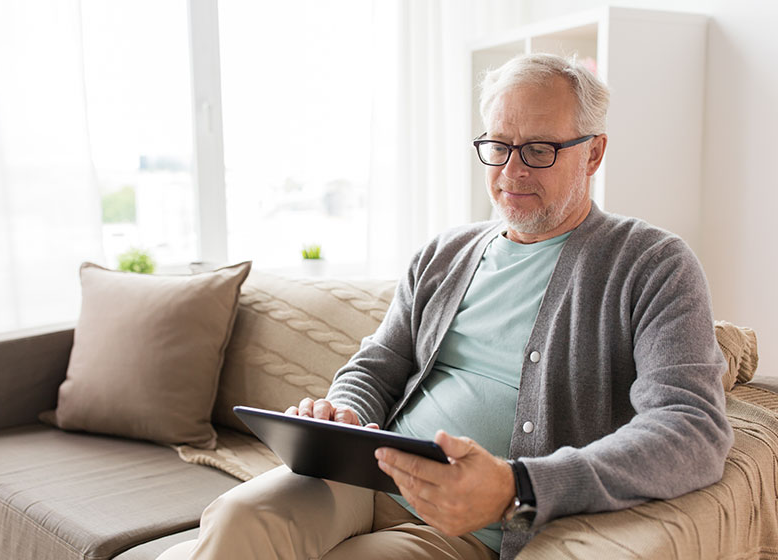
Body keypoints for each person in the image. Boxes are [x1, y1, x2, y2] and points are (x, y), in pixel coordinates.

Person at [183, 53, 733, 560]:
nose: (511, 172)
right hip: (367, 475)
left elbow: (693, 429)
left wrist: (518, 486)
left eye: (540, 150)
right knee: (238, 517)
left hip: (468, 527)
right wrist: (346, 415)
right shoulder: (443, 254)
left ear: (594, 152)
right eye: (498, 146)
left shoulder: (651, 262)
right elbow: (376, 366)